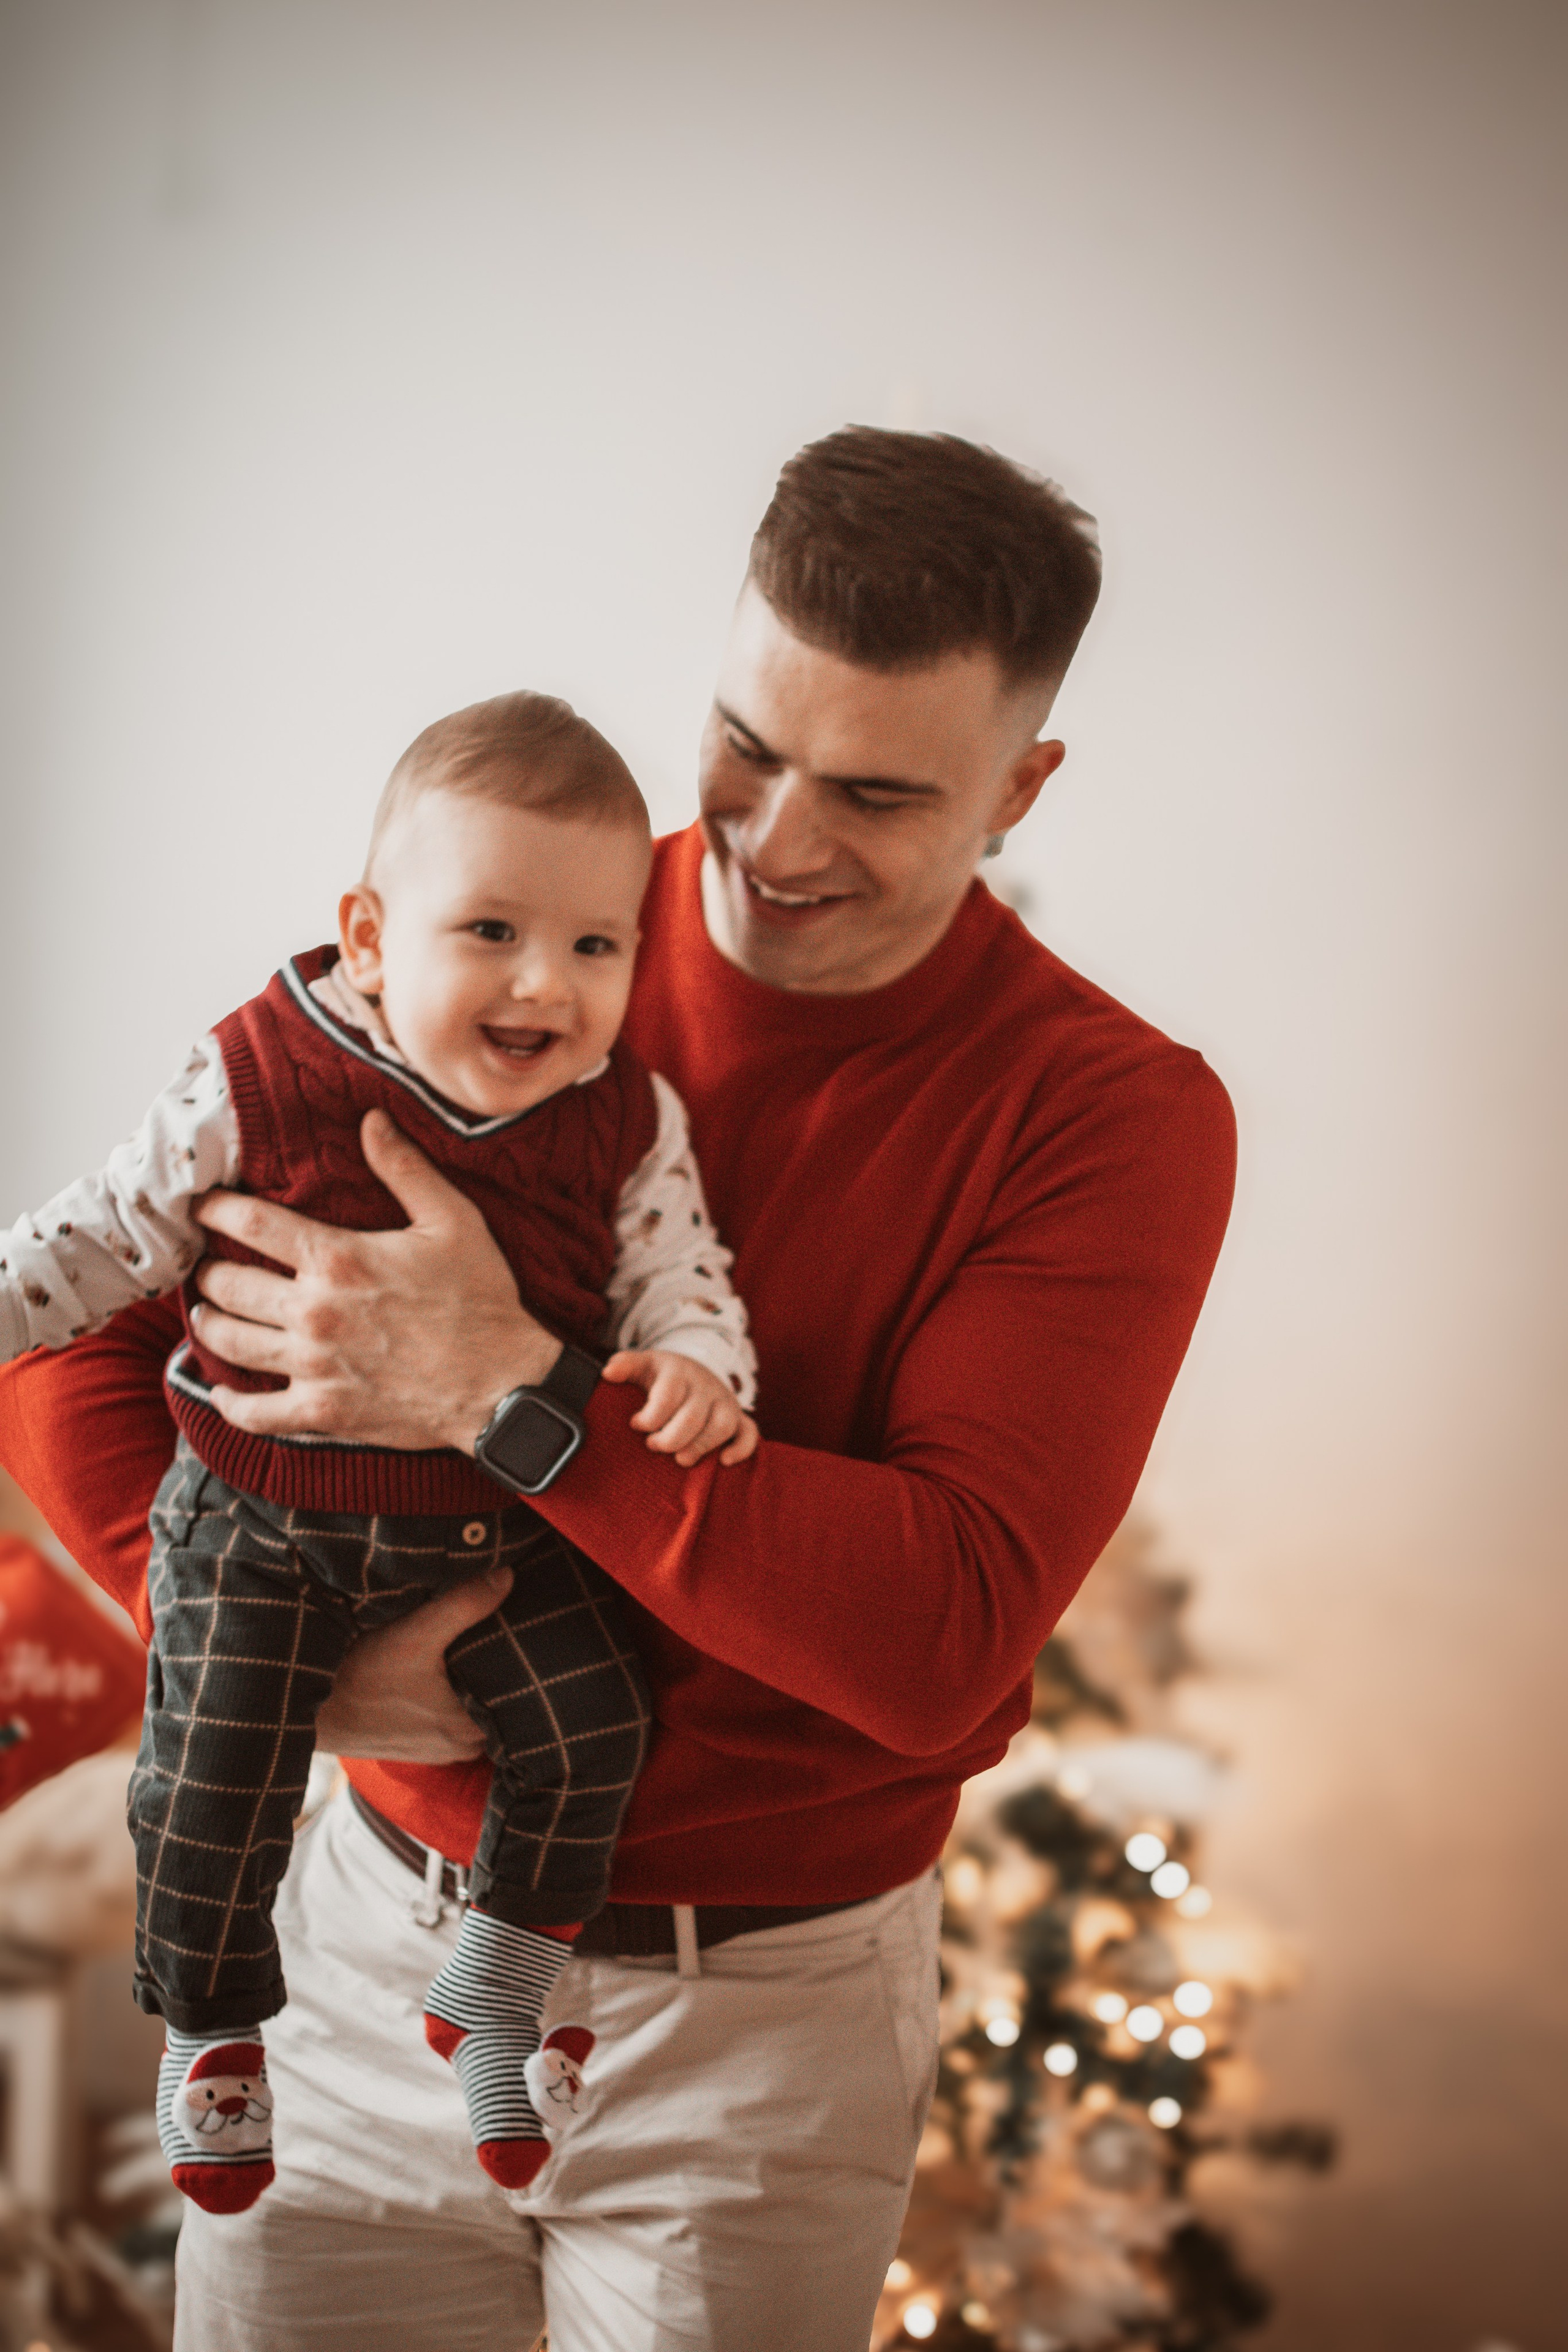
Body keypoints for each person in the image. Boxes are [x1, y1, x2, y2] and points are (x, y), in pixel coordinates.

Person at [0, 426, 1237, 2352]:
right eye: (748, 746)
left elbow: (942, 1628)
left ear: (1025, 785)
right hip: (342, 1963)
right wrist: (242, 1655)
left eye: (883, 791)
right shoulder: (515, 915)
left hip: (759, 2033)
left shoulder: (1107, 1117)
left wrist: (514, 1387)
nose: (774, 840)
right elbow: (93, 1322)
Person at [0, 692, 757, 2209]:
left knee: (591, 1732)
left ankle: (495, 1987)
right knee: (213, 1780)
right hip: (259, 1522)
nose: (547, 982)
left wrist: (696, 1366)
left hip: (491, 1534)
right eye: (490, 931)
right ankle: (213, 2035)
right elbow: (96, 1242)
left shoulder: (625, 1120)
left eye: (596, 946)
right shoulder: (256, 1079)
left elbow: (679, 1274)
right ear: (366, 937)